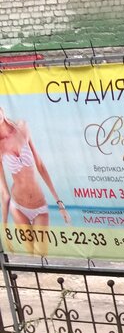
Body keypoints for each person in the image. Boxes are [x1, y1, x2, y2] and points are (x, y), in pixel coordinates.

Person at [0, 106, 70, 256]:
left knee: (42, 255)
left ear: (2, 110)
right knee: (31, 256)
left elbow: (40, 166)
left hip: (40, 206)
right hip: (18, 207)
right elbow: (4, 192)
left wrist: (59, 203)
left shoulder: (22, 128)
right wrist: (5, 230)